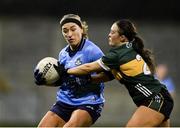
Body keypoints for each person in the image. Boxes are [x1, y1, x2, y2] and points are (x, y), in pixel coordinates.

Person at [55, 19, 174, 127]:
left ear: (122, 37)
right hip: (159, 97)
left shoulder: (118, 55)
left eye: (113, 32)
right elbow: (109, 76)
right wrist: (90, 80)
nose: (109, 35)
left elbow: (88, 67)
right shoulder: (129, 48)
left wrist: (66, 71)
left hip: (155, 99)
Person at [34, 14, 105, 127]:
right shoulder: (63, 54)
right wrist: (44, 81)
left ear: (81, 29)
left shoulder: (93, 51)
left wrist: (89, 78)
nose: (69, 34)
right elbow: (64, 80)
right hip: (64, 102)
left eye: (73, 29)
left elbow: (110, 75)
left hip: (88, 102)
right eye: (65, 31)